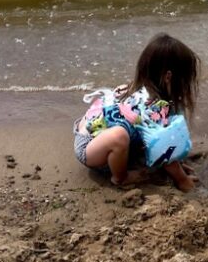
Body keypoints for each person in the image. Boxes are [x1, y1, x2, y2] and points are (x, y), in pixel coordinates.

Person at [73, 33, 200, 191]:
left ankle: (121, 153)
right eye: (185, 79)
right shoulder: (155, 106)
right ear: (168, 77)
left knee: (131, 131)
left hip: (95, 131)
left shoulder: (138, 87)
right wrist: (182, 179)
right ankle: (120, 178)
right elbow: (164, 149)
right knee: (119, 136)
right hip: (90, 148)